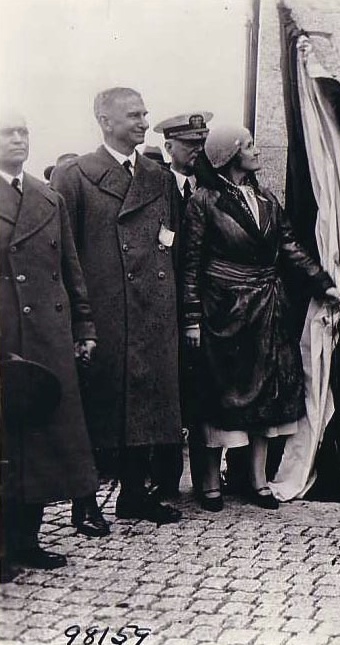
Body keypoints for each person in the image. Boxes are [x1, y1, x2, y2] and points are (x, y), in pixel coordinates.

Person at [181, 124, 340, 512]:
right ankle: (208, 484)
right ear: (231, 154)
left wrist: (324, 285)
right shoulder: (204, 201)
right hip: (222, 312)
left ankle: (256, 482)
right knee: (218, 397)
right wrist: (191, 318)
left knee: (264, 399)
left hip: (265, 311)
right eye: (249, 145)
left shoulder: (266, 199)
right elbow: (190, 265)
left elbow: (290, 248)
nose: (256, 151)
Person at [51, 87, 183, 525]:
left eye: (145, 113)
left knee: (146, 403)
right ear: (105, 121)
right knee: (99, 407)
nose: (144, 122)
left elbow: (171, 239)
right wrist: (77, 319)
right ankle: (84, 502)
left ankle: (134, 495)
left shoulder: (157, 176)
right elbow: (63, 254)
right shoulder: (75, 176)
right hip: (105, 309)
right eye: (133, 116)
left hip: (152, 308)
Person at [0, 109, 102, 579]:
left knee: (43, 441)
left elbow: (71, 271)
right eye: (7, 133)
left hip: (49, 337)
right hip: (6, 335)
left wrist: (84, 329)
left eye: (24, 131)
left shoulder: (48, 197)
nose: (18, 140)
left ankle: (29, 539)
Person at [151, 112, 212, 501]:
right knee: (165, 391)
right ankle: (165, 478)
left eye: (201, 143)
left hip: (210, 306)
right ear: (169, 146)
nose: (196, 151)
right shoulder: (155, 187)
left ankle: (210, 478)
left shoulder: (211, 187)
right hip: (164, 306)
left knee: (205, 391)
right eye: (189, 144)